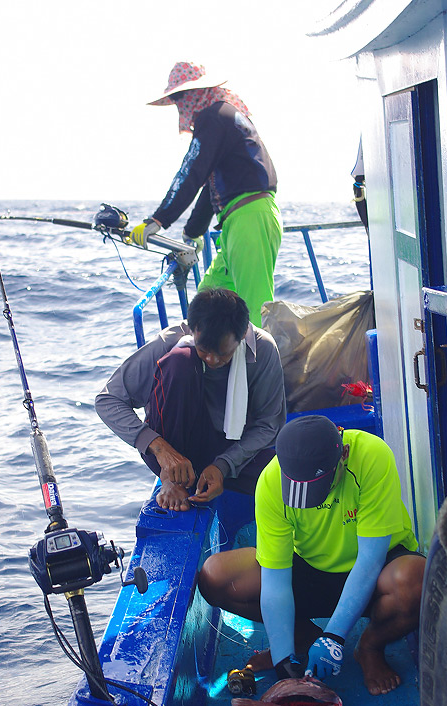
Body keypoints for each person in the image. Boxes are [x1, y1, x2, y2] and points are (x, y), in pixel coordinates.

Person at [198, 414, 426, 696]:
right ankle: (300, 639)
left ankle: (369, 647)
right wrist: (283, 662)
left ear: (343, 455)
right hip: (309, 567)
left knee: (418, 580)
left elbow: (370, 559)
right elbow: (275, 579)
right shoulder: (270, 481)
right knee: (217, 575)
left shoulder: (372, 455)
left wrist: (334, 637)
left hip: (375, 570)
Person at [95, 288, 286, 511]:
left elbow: (268, 424)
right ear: (193, 329)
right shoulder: (171, 341)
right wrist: (160, 449)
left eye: (223, 353)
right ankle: (172, 479)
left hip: (233, 449)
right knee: (180, 361)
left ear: (243, 333)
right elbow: (108, 400)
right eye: (204, 350)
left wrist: (223, 465)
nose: (213, 359)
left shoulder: (263, 349)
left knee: (293, 479)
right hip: (175, 449)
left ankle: (204, 475)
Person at [130, 61, 283, 327]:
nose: (180, 104)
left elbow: (192, 171)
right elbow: (209, 186)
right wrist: (193, 232)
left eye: (180, 96)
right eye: (175, 98)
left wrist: (158, 220)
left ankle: (263, 368)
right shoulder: (224, 116)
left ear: (197, 92)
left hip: (251, 220)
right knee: (207, 303)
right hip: (237, 222)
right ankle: (213, 366)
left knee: (255, 314)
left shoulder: (213, 117)